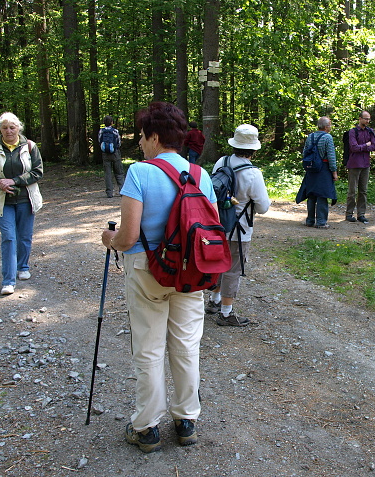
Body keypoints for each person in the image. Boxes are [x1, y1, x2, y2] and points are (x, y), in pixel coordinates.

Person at [101, 102, 215, 452]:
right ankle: (186, 421)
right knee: (185, 346)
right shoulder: (200, 175)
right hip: (190, 271)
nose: (140, 143)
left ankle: (147, 428)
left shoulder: (140, 173)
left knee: (149, 349)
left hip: (147, 269)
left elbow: (129, 237)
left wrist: (109, 240)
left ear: (154, 136)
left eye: (142, 136)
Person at [204, 124, 271, 326]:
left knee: (217, 263)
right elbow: (263, 207)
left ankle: (213, 301)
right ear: (253, 148)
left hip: (216, 224)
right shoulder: (253, 174)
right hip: (239, 229)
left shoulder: (221, 162)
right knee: (232, 268)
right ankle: (226, 313)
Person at [0, 112, 44, 296]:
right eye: (5, 127)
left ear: (18, 128)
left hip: (26, 199)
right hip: (2, 200)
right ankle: (8, 280)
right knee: (8, 237)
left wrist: (14, 180)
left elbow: (38, 172)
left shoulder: (30, 146)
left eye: (12, 127)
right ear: (0, 129)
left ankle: (23, 266)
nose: (8, 131)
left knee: (24, 236)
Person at [296, 116, 338, 229]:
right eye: (330, 125)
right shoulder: (327, 137)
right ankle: (321, 222)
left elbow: (305, 152)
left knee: (311, 194)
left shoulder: (311, 136)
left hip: (311, 168)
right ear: (326, 126)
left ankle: (310, 220)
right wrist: (334, 172)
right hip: (323, 169)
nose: (330, 127)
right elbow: (331, 156)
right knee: (322, 195)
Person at [345, 111, 375, 224]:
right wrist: (366, 145)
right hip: (354, 164)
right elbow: (354, 147)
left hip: (365, 164)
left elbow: (374, 146)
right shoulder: (353, 132)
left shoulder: (370, 131)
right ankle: (349, 214)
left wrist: (363, 147)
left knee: (363, 191)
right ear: (360, 119)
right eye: (365, 119)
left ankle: (361, 214)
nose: (367, 121)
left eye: (369, 119)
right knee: (352, 191)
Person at [98, 115, 124, 198]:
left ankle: (109, 193)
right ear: (112, 122)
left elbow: (99, 141)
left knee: (108, 174)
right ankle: (122, 191)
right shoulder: (115, 131)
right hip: (115, 153)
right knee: (119, 173)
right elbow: (118, 142)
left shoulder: (101, 131)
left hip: (105, 154)